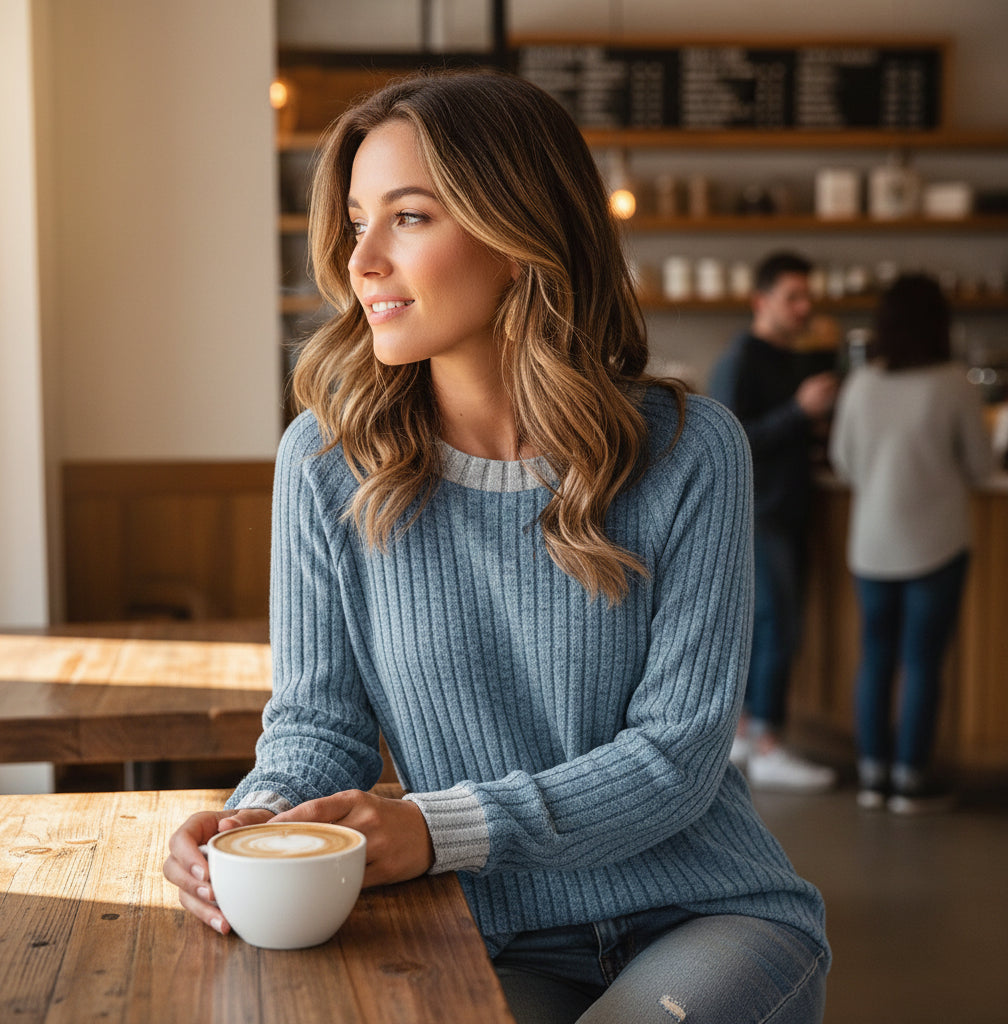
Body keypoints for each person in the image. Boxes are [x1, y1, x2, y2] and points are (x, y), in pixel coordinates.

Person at [163, 70, 829, 1023]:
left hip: (706, 912)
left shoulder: (692, 451)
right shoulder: (323, 462)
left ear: (520, 235)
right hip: (486, 929)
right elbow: (319, 729)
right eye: (357, 222)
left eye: (411, 218)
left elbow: (678, 756)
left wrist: (434, 829)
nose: (363, 261)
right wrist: (254, 826)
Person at [829, 273, 992, 813]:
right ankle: (910, 780)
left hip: (871, 546)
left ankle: (872, 777)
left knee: (875, 658)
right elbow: (980, 465)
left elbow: (843, 463)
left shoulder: (861, 383)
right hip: (936, 545)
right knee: (922, 662)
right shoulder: (953, 384)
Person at [708, 252, 839, 792]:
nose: (805, 308)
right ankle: (764, 744)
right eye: (793, 297)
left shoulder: (791, 358)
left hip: (785, 510)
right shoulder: (742, 360)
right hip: (759, 514)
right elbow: (727, 444)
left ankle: (748, 735)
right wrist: (801, 412)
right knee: (773, 630)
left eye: (808, 297)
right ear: (761, 302)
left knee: (772, 628)